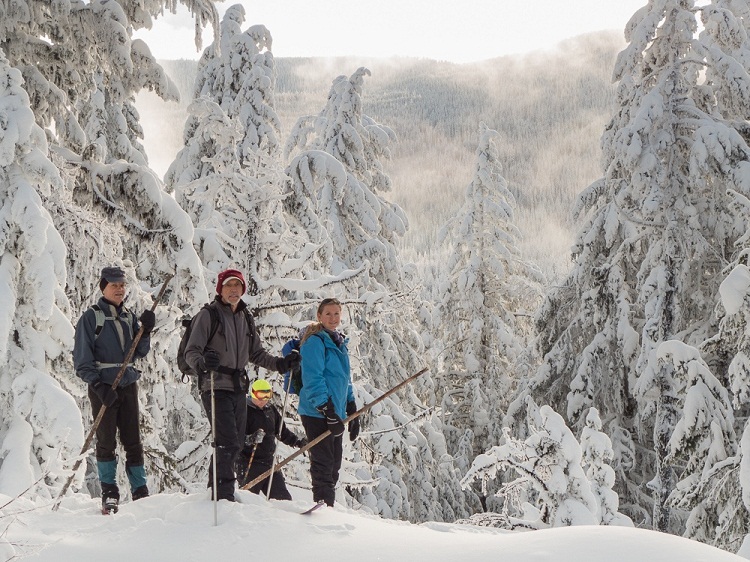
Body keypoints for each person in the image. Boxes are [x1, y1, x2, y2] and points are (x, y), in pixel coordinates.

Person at [184, 268, 301, 502]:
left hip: (238, 387)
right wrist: (203, 363)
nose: (234, 290)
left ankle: (214, 491)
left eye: (238, 285)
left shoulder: (245, 317)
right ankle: (223, 495)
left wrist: (280, 364)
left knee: (234, 443)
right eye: (229, 285)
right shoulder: (209, 315)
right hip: (214, 386)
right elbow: (191, 351)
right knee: (227, 441)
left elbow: (256, 353)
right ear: (220, 289)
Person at [73, 266, 157, 514]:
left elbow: (139, 352)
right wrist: (98, 385)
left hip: (128, 384)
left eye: (122, 285)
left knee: (133, 439)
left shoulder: (129, 317)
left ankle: (140, 490)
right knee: (106, 440)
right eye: (114, 285)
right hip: (103, 387)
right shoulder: (91, 318)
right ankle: (109, 493)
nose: (119, 289)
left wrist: (146, 332)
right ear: (103, 287)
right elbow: (81, 359)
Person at [297, 298, 359, 507]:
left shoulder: (338, 342)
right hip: (316, 412)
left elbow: (343, 379)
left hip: (336, 412)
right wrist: (327, 409)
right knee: (323, 463)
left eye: (336, 314)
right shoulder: (315, 342)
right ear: (319, 316)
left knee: (334, 464)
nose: (333, 318)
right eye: (328, 314)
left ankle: (326, 505)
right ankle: (323, 505)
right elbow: (313, 379)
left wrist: (350, 406)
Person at [236, 379, 307, 499]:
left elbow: (282, 432)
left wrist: (298, 442)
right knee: (248, 500)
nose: (263, 399)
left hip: (269, 463)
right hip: (249, 463)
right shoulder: (244, 410)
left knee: (283, 498)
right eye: (260, 395)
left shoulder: (270, 410)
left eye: (267, 395)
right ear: (253, 393)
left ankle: (284, 514)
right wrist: (251, 439)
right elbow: (236, 439)